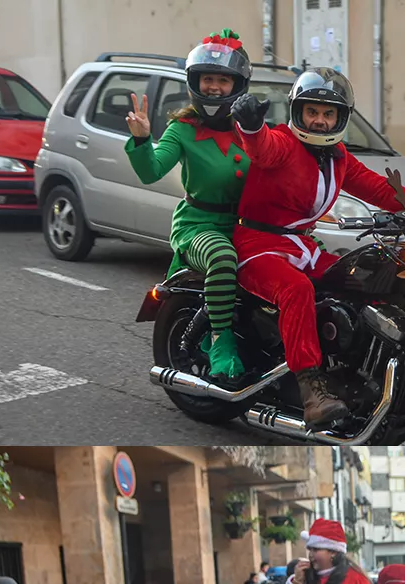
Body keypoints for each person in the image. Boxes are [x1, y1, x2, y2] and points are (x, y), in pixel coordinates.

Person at [229, 69, 405, 426]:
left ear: (340, 118)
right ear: (298, 112)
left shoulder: (337, 157)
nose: (320, 121)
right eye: (312, 112)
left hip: (300, 245)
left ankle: (351, 366)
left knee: (357, 278)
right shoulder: (284, 144)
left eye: (328, 114)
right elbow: (262, 148)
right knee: (296, 289)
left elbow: (378, 188)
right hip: (258, 245)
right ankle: (311, 388)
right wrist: (250, 126)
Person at [125, 29, 252, 380]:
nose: (214, 87)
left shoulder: (251, 129)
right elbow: (151, 171)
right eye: (207, 78)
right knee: (223, 258)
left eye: (223, 80)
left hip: (246, 227)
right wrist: (140, 140)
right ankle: (221, 343)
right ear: (195, 82)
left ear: (237, 84)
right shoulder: (182, 129)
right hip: (199, 225)